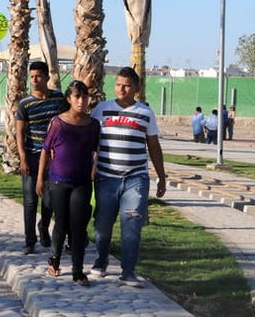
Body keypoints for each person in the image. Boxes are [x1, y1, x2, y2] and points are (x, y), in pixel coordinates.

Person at [90, 67, 167, 287]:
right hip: (106, 177)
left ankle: (128, 271)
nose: (121, 89)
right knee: (103, 224)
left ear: (136, 88)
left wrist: (161, 177)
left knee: (131, 224)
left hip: (136, 179)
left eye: (126, 85)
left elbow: (153, 146)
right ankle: (101, 261)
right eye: (118, 84)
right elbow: (92, 142)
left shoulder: (145, 113)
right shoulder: (101, 110)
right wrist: (90, 167)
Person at [36, 80, 100, 287]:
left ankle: (78, 271)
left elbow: (96, 150)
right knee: (61, 224)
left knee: (79, 226)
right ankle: (54, 259)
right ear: (69, 99)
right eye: (77, 97)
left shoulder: (92, 125)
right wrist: (40, 179)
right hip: (58, 181)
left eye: (84, 97)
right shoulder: (58, 122)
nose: (82, 101)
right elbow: (46, 150)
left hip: (81, 182)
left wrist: (94, 169)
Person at [15, 61, 64, 254]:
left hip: (54, 157)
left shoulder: (58, 98)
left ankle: (43, 226)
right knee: (29, 200)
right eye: (32, 76)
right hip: (33, 155)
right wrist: (23, 157)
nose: (34, 80)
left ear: (46, 77)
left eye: (38, 76)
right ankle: (29, 241)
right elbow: (20, 132)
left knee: (49, 198)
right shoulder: (25, 103)